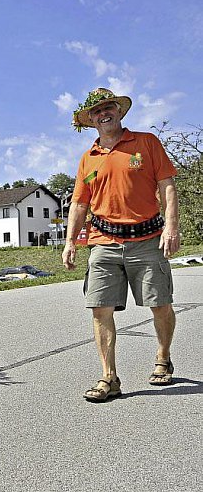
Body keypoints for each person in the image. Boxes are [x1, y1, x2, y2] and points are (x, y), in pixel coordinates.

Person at [63, 87, 180, 402]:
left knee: (160, 304)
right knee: (99, 308)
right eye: (97, 111)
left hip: (147, 240)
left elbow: (167, 185)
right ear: (91, 120)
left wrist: (171, 226)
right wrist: (70, 241)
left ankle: (163, 355)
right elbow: (79, 204)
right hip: (103, 243)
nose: (104, 113)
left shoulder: (146, 143)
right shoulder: (88, 159)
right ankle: (109, 377)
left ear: (119, 111)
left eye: (109, 107)